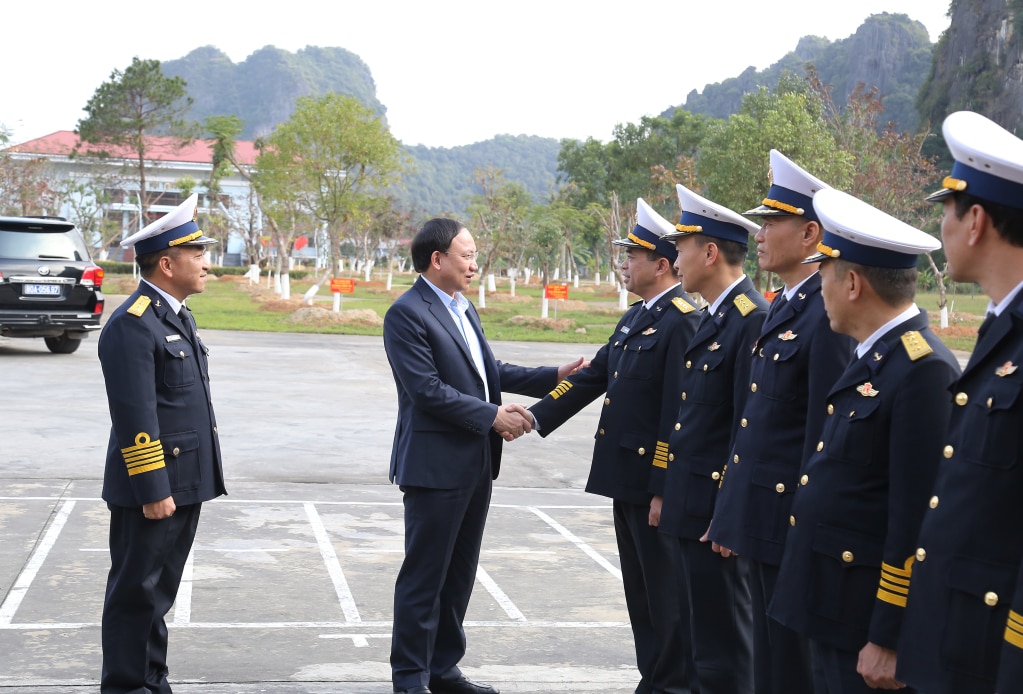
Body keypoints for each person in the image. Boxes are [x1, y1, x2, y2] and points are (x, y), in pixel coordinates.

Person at [767, 188, 960, 693]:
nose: (819, 291)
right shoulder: (873, 357)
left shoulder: (923, 370)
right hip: (830, 601)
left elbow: (916, 516)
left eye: (823, 277)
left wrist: (890, 636)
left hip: (863, 622)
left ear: (852, 283)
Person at [383, 217, 582, 694]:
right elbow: (427, 390)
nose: (475, 264)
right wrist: (493, 416)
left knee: (458, 575)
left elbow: (488, 370)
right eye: (467, 255)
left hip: (474, 464)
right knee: (425, 576)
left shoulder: (462, 308)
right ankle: (410, 678)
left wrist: (555, 373)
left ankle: (443, 669)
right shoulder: (407, 313)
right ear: (437, 259)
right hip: (434, 466)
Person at [528, 198, 701, 694]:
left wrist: (664, 488)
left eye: (632, 256)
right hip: (625, 480)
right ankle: (655, 677)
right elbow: (592, 378)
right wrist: (534, 416)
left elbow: (677, 415)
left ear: (661, 264)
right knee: (641, 593)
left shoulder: (682, 320)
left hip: (652, 485)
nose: (623, 265)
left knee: (666, 595)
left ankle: (670, 684)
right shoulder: (635, 318)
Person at [709, 149, 854, 694]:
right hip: (762, 521)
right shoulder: (788, 306)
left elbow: (822, 434)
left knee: (788, 672)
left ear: (812, 234)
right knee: (768, 668)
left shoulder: (826, 312)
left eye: (773, 222)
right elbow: (755, 425)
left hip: (788, 525)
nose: (761, 234)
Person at [897, 111, 1023, 694]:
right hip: (955, 638)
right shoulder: (1000, 331)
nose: (940, 229)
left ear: (975, 220)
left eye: (945, 212)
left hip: (992, 652)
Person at [98, 193, 226, 694]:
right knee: (135, 593)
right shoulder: (133, 325)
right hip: (154, 488)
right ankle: (128, 686)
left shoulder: (175, 315)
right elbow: (135, 418)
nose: (206, 264)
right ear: (167, 263)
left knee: (158, 593)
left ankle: (152, 679)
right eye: (197, 255)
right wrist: (154, 489)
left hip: (185, 482)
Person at [657, 183, 766, 694]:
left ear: (710, 251)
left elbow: (748, 426)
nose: (674, 258)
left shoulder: (752, 320)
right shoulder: (719, 314)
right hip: (693, 504)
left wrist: (729, 514)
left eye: (680, 248)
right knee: (701, 644)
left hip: (714, 517)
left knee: (726, 650)